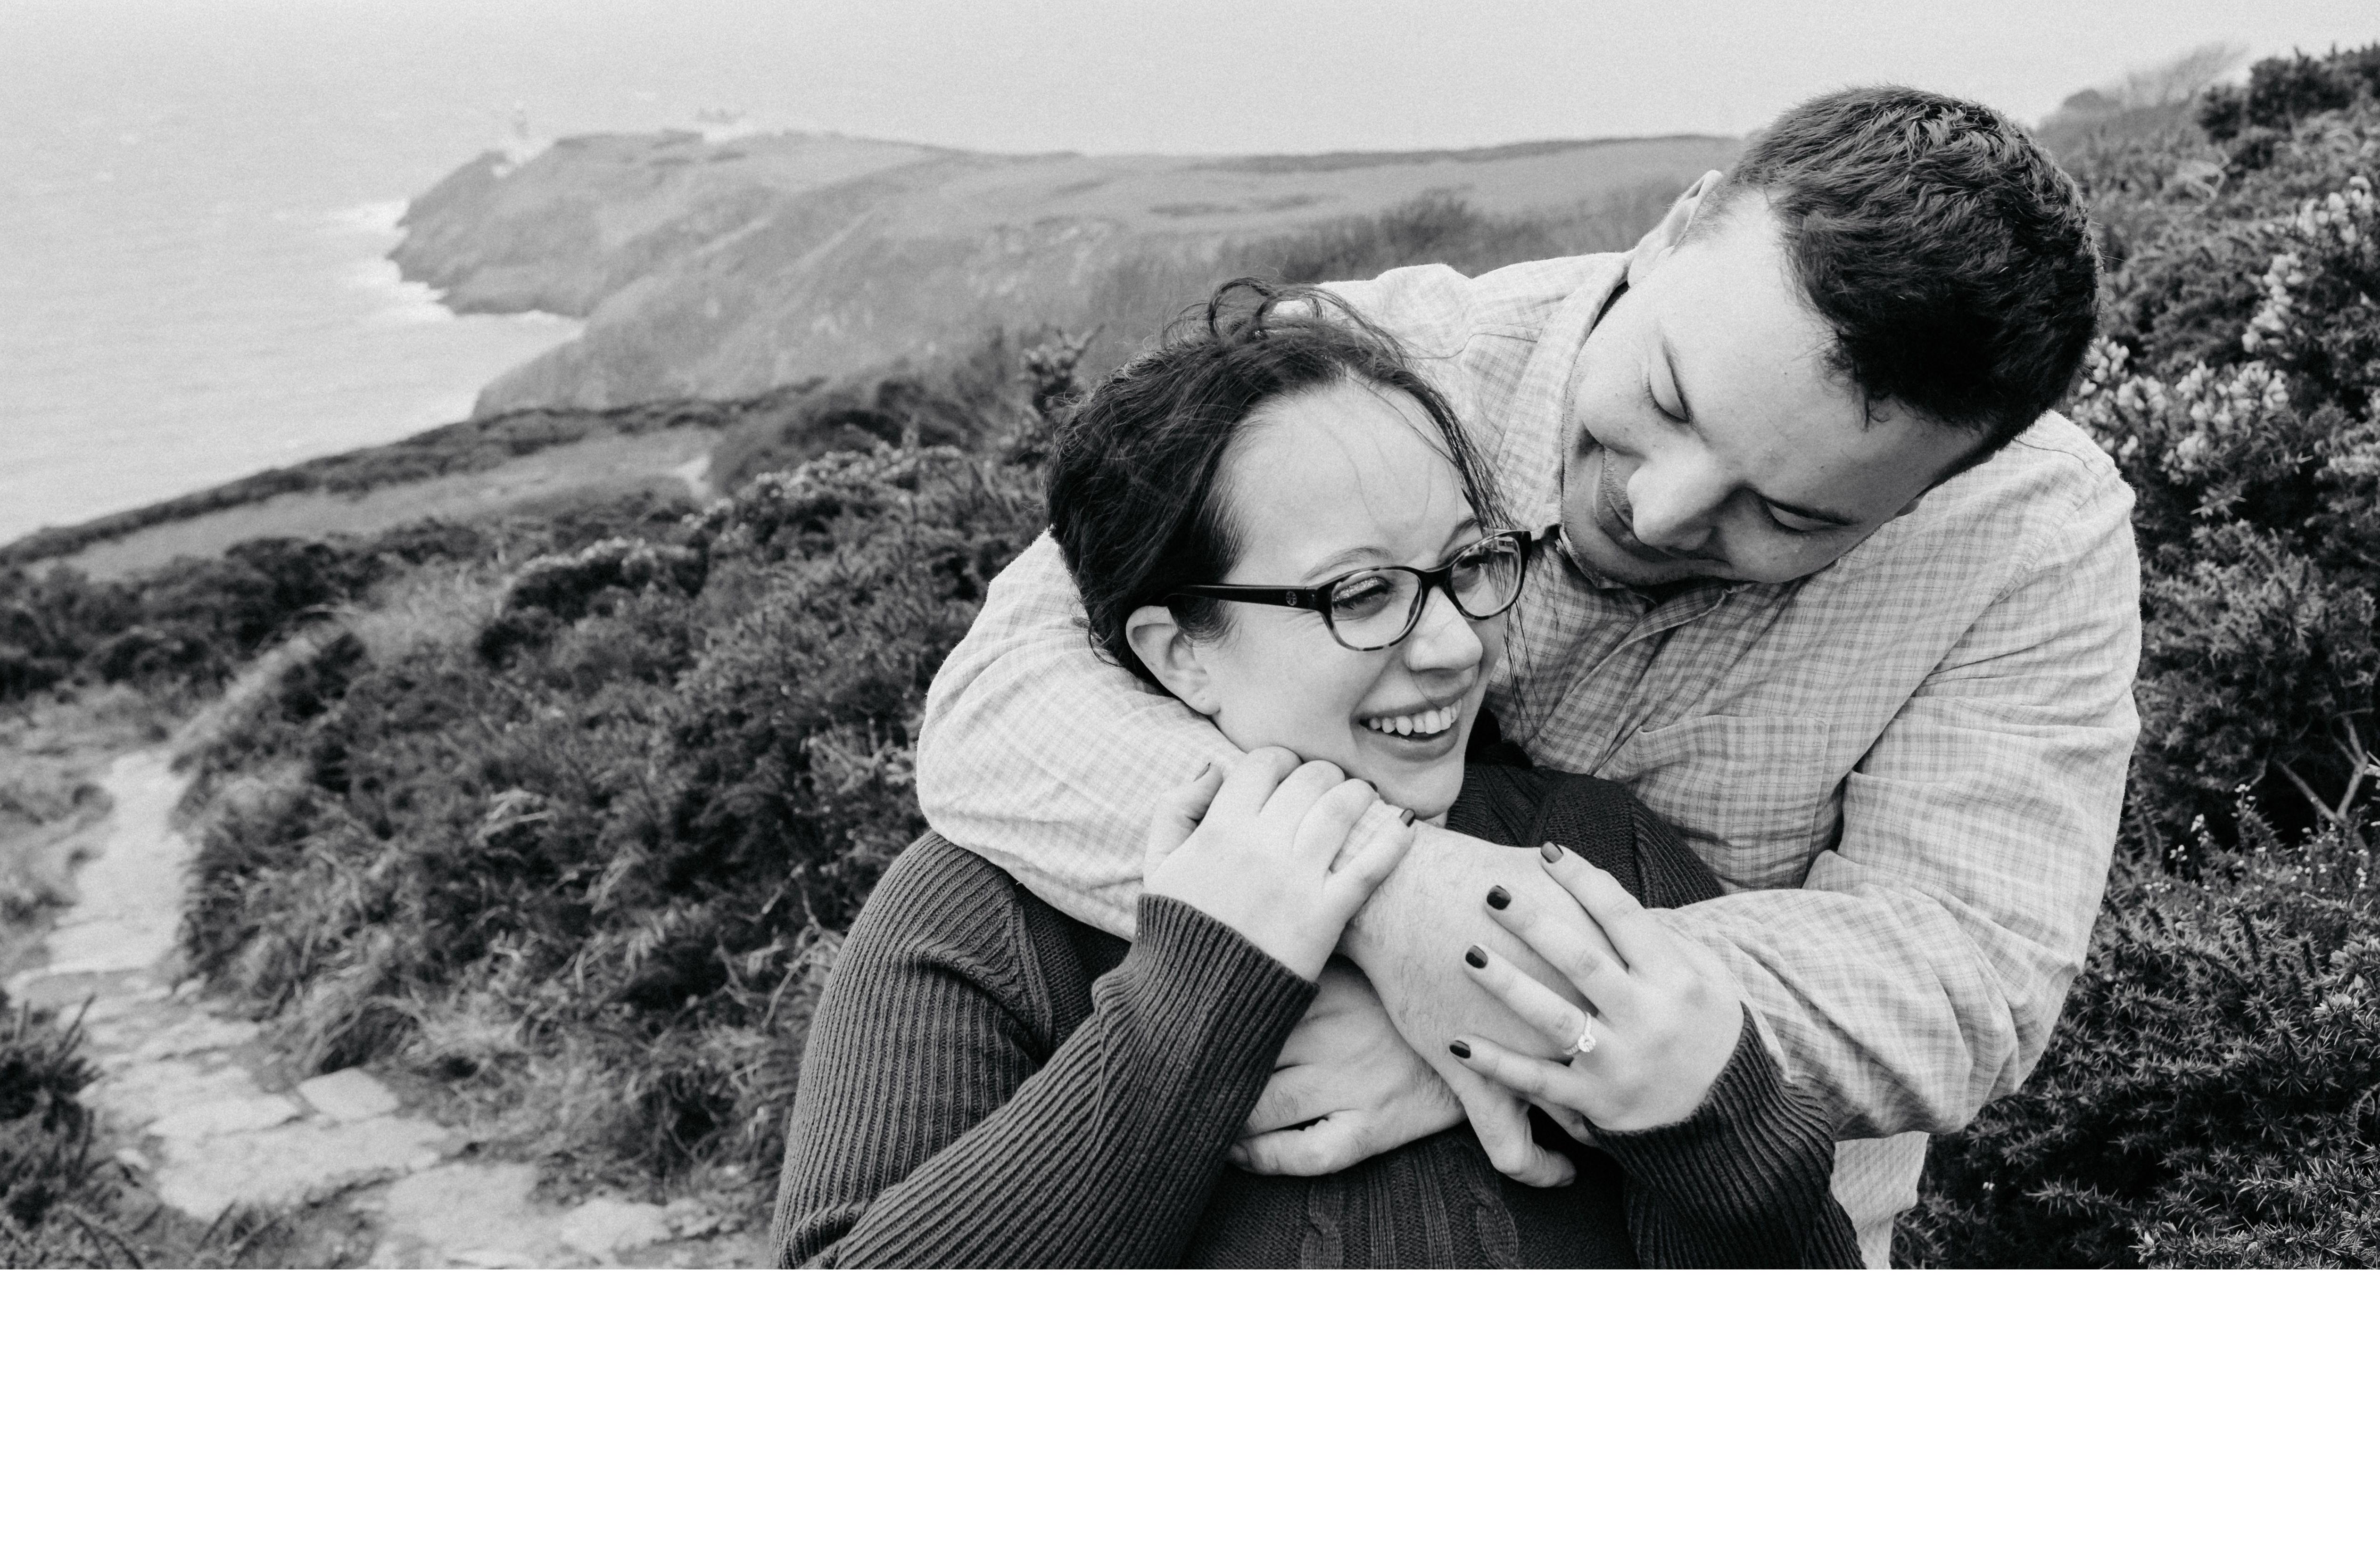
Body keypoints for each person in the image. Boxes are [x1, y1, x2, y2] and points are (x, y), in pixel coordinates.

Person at [914, 86, 2143, 1264]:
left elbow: (1963, 980)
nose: (1660, 510)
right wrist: (1407, 911)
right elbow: (1004, 701)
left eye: (1789, 514)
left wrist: (1505, 1019)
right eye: (1669, 398)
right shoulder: (1368, 373)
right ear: (1676, 230)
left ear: (1937, 488)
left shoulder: (2029, 534)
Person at [775, 288, 1860, 1267]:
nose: (1455, 645)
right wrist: (1199, 995)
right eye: (1362, 594)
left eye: (1469, 564)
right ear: (1180, 652)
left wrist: (1716, 1129)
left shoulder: (1603, 853)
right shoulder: (980, 911)